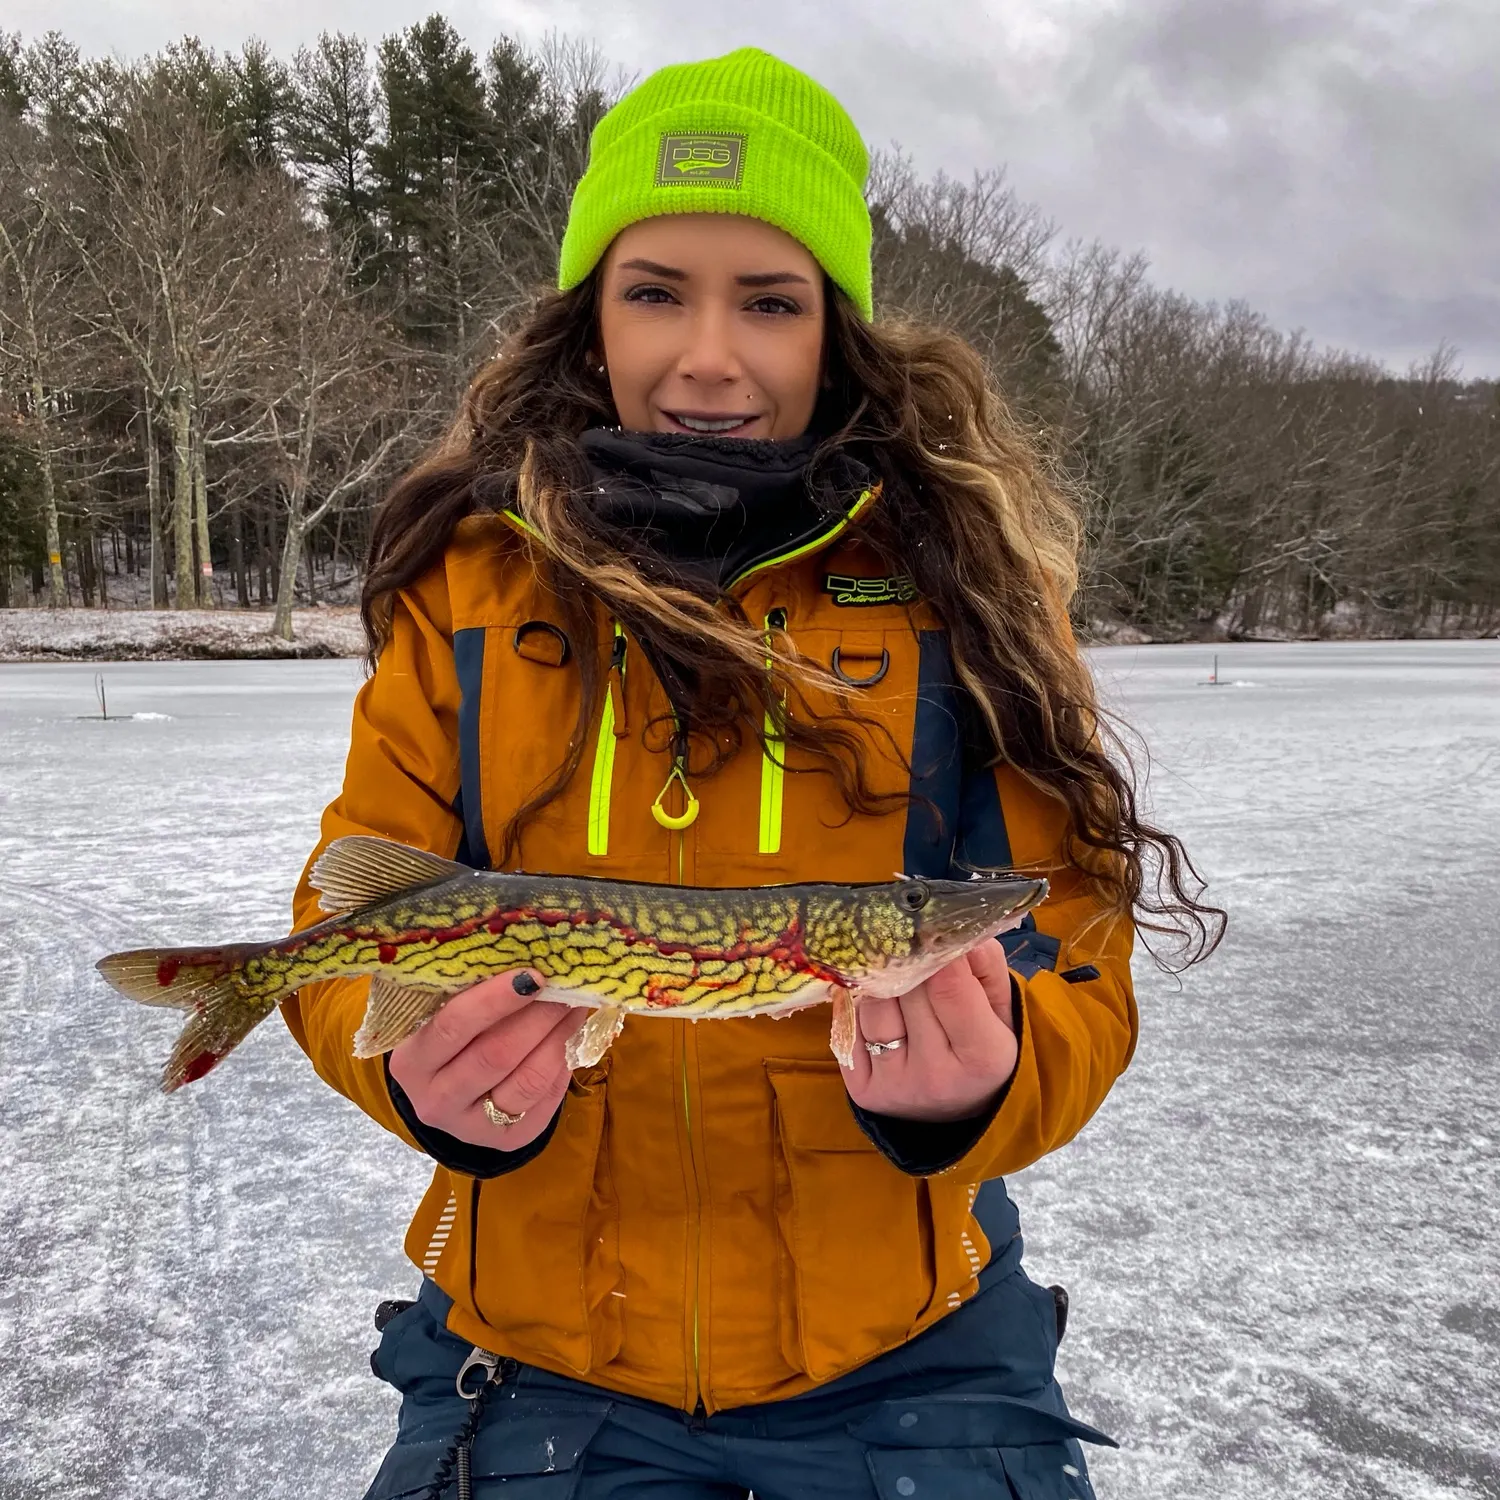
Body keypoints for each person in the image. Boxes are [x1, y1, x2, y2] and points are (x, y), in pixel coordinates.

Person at [284, 47, 1219, 1500]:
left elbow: (1079, 969)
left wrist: (983, 1085)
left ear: (834, 331)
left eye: (770, 301)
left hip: (914, 1352)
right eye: (655, 291)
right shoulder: (465, 584)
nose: (708, 357)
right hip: (537, 1354)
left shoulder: (965, 593)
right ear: (591, 316)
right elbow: (348, 931)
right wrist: (412, 1072)